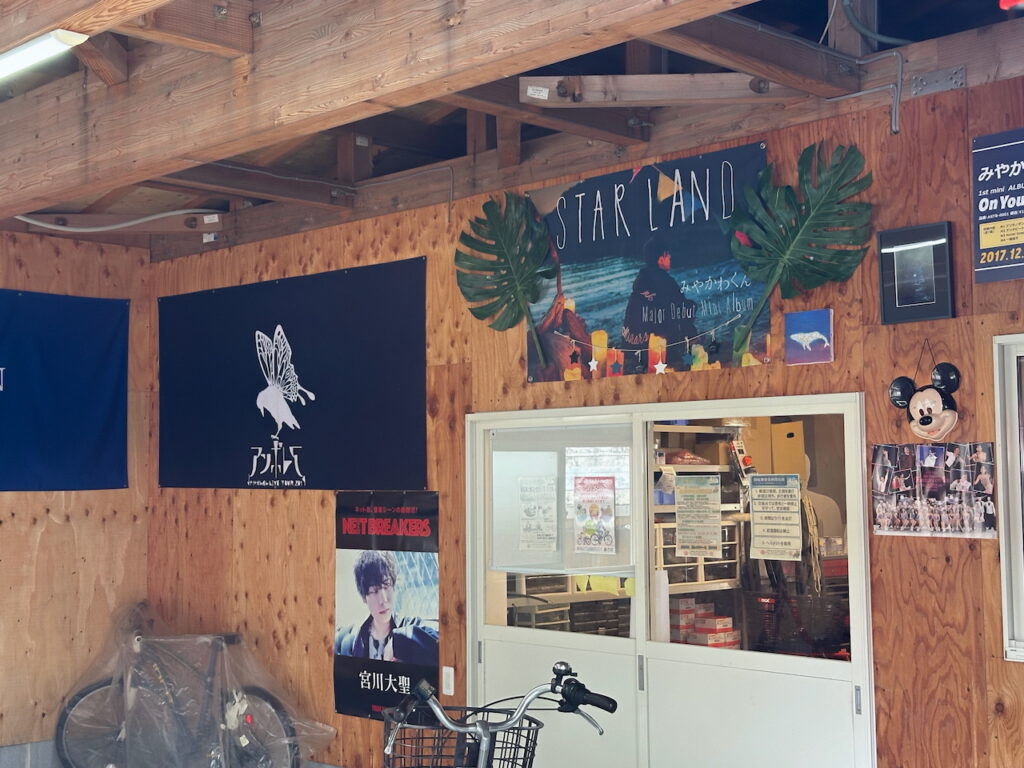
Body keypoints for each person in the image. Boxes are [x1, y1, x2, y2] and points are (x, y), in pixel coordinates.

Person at [335, 550, 439, 665]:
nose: (383, 600)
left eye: (386, 585)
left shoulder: (412, 626)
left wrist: (399, 642)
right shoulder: (351, 640)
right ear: (364, 597)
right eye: (374, 591)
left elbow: (442, 644)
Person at [621, 238, 699, 365]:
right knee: (688, 307)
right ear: (661, 259)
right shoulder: (667, 282)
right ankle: (691, 343)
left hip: (634, 347)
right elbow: (681, 310)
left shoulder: (640, 281)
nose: (670, 257)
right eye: (668, 255)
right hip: (658, 349)